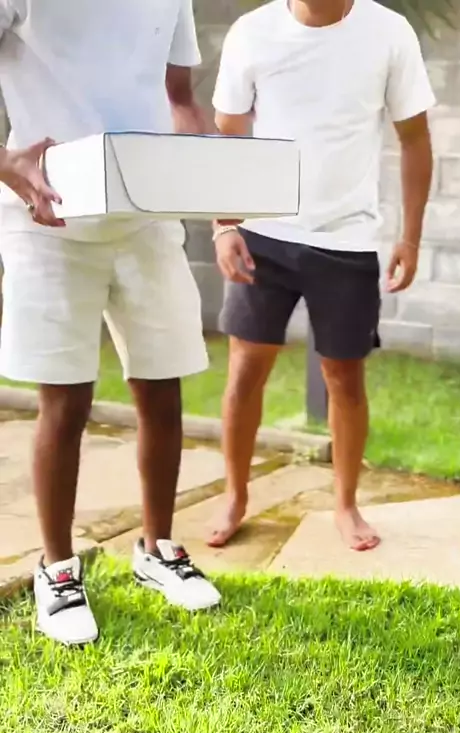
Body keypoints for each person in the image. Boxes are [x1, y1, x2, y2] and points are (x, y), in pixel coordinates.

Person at [0, 0, 221, 647]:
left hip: (147, 215)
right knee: (65, 400)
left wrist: (211, 173)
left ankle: (157, 549)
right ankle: (58, 568)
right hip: (48, 216)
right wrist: (6, 162)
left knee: (162, 386)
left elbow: (178, 97)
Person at [209, 0, 434, 552]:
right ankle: (235, 495)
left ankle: (345, 503)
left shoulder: (389, 32)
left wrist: (409, 238)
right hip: (263, 234)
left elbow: (414, 138)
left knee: (344, 377)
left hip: (346, 240)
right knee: (245, 371)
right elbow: (229, 135)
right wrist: (224, 225)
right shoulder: (252, 32)